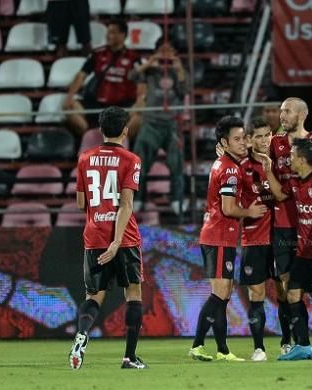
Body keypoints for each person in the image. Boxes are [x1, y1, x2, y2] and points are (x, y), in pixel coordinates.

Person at [68, 106, 147, 370]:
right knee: (133, 293)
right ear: (125, 130)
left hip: (93, 236)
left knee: (94, 296)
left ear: (100, 130)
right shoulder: (131, 159)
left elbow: (81, 203)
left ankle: (81, 335)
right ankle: (129, 358)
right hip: (123, 239)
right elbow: (126, 204)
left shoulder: (84, 157)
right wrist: (116, 242)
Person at [189, 116, 267, 362]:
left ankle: (222, 350)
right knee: (221, 294)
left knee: (223, 294)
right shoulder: (230, 169)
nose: (244, 143)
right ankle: (197, 344)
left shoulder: (223, 163)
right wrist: (250, 212)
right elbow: (228, 208)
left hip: (216, 235)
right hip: (220, 236)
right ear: (224, 142)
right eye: (237, 139)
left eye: (245, 137)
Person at [259, 138, 312, 360]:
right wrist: (268, 170)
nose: (289, 159)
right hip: (301, 252)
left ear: (303, 159)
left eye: (293, 155)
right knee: (292, 294)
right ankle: (304, 345)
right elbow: (279, 194)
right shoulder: (295, 181)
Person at [268, 97, 312, 354]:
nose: (281, 115)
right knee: (287, 285)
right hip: (283, 224)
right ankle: (295, 341)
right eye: (280, 111)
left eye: (287, 111)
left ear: (301, 114)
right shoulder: (274, 143)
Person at [130, 38, 187, 216]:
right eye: (162, 50)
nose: (165, 54)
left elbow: (184, 90)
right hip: (151, 123)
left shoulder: (180, 71)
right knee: (140, 164)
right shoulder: (151, 71)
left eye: (169, 50)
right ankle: (138, 199)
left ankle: (177, 199)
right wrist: (149, 63)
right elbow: (131, 76)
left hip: (172, 124)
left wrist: (179, 71)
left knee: (176, 163)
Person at [236, 118, 275, 361]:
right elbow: (230, 203)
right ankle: (259, 348)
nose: (263, 140)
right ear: (250, 140)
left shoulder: (280, 162)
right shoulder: (241, 167)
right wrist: (246, 211)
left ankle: (287, 343)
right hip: (253, 238)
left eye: (266, 135)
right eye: (258, 136)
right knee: (256, 293)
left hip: (281, 238)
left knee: (286, 291)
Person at [63, 20, 141, 137]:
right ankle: (90, 136)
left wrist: (141, 100)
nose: (109, 36)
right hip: (97, 104)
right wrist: (69, 97)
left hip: (123, 105)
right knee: (69, 107)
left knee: (139, 116)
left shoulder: (133, 57)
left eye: (113, 33)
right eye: (108, 32)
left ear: (123, 35)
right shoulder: (97, 54)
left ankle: (120, 142)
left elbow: (142, 83)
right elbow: (81, 75)